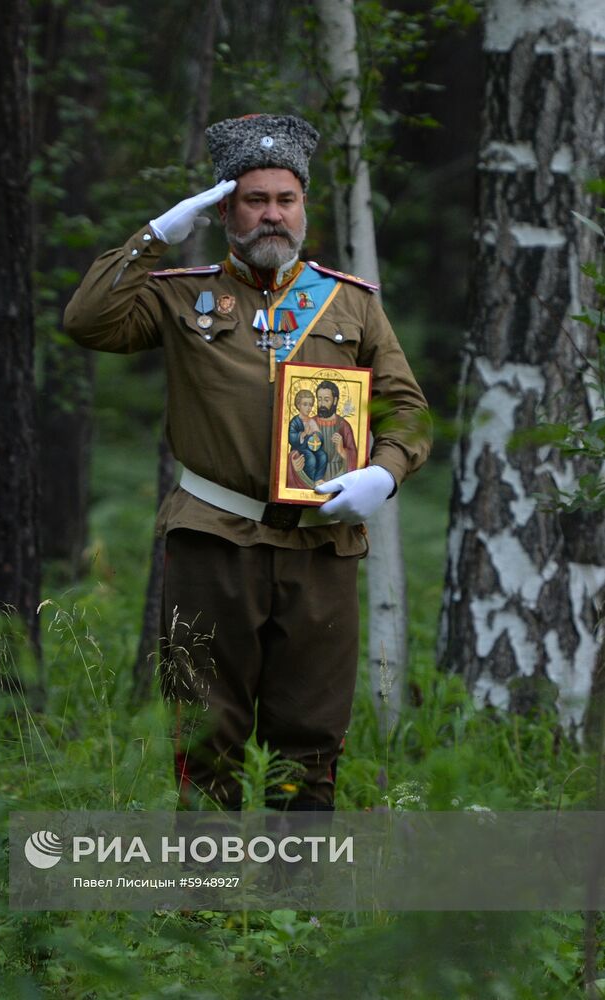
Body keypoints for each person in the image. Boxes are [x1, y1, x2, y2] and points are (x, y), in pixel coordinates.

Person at [64, 114, 430, 811]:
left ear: (302, 208)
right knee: (205, 734)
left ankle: (297, 911)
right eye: (253, 199)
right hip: (213, 543)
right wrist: (153, 237)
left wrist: (382, 475)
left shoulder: (349, 302)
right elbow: (87, 321)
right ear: (225, 209)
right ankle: (203, 909)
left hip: (320, 547)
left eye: (284, 200)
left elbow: (406, 411)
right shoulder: (178, 295)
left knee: (312, 738)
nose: (271, 214)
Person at [288, 389, 327, 484]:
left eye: (310, 405)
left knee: (323, 456)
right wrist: (304, 433)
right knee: (310, 459)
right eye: (305, 404)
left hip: (312, 447)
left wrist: (317, 436)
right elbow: (291, 437)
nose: (308, 408)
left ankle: (318, 479)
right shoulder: (295, 421)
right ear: (298, 405)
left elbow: (319, 435)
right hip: (300, 448)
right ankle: (309, 481)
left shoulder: (312, 421)